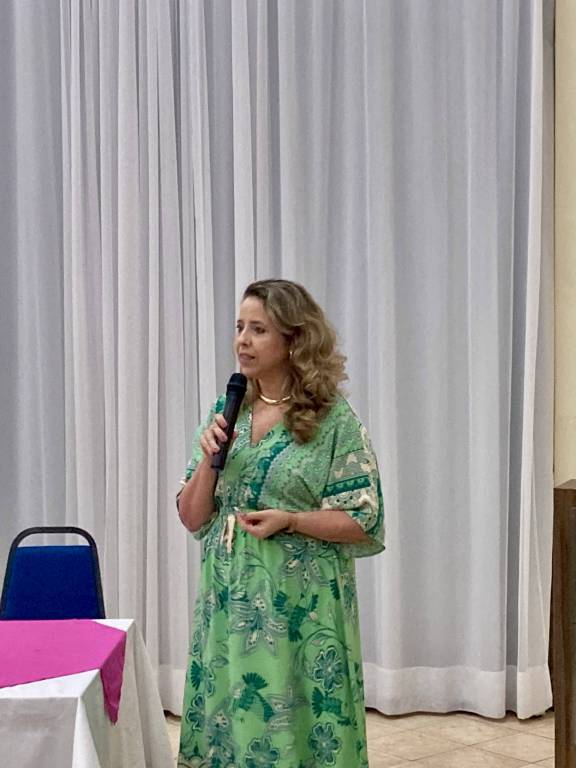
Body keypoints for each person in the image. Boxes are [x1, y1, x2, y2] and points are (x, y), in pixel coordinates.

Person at [177, 279, 384, 768]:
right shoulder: (226, 411)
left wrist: (291, 520)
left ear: (294, 340)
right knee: (235, 718)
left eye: (258, 329)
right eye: (239, 327)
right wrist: (208, 458)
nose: (242, 341)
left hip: (301, 609)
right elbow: (192, 517)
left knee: (295, 725)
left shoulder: (333, 420)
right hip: (229, 601)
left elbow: (364, 519)